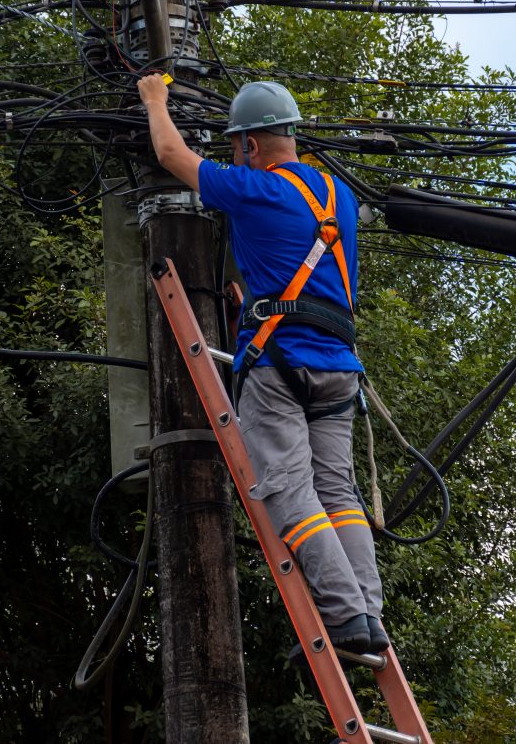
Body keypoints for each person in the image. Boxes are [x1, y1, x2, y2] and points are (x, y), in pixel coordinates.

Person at [137, 74, 386, 654]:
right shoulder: (339, 197)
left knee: (288, 490)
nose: (233, 156)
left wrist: (155, 100)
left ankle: (344, 618)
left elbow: (171, 153)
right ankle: (369, 617)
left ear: (249, 144)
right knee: (338, 494)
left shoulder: (252, 188)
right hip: (339, 367)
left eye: (235, 146)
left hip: (279, 364)